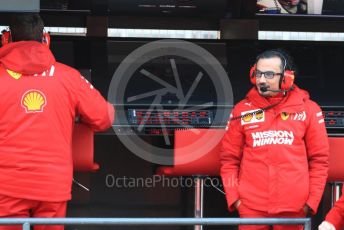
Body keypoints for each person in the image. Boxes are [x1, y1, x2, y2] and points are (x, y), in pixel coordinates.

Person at [0, 13, 114, 230]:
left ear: (6, 39)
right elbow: (104, 118)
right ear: (46, 39)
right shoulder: (69, 77)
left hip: (5, 186)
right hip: (52, 185)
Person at [220, 49, 329, 230]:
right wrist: (236, 199)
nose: (262, 80)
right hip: (251, 206)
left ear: (287, 78)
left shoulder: (309, 109)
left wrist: (311, 202)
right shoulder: (241, 110)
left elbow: (320, 161)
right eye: (258, 73)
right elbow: (228, 160)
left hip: (294, 206)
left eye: (269, 74)